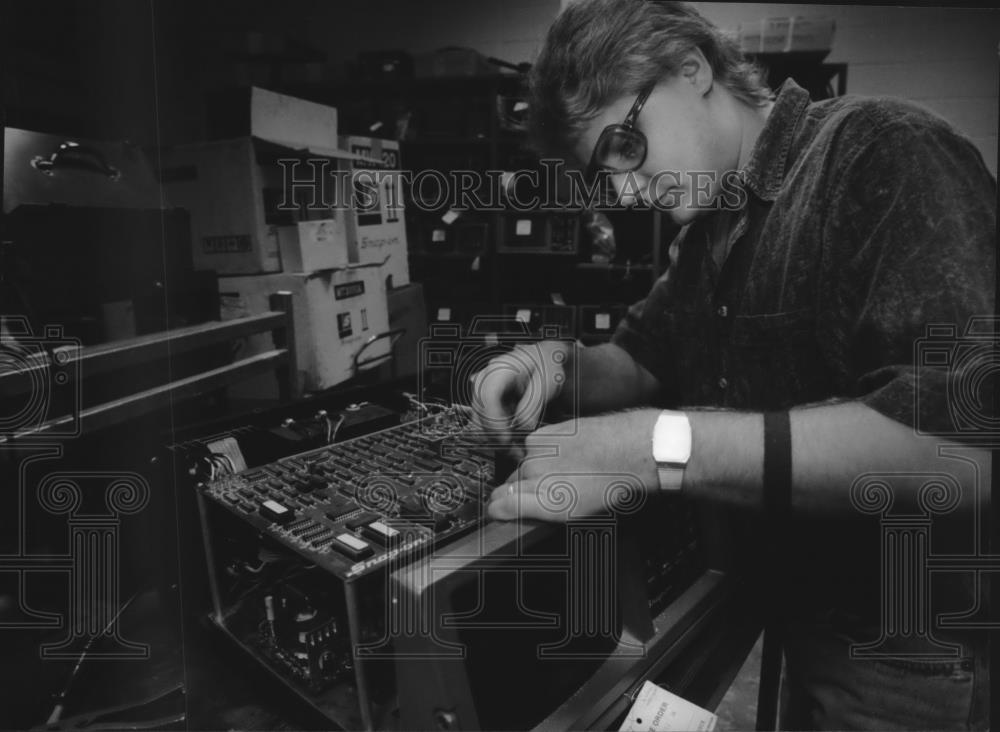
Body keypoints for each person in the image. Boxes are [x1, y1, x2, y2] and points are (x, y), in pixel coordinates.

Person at [470, 1, 995, 729]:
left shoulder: (880, 154)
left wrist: (659, 447)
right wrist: (555, 365)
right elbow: (640, 357)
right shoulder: (709, 234)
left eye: (624, 144)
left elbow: (958, 447)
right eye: (603, 175)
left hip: (904, 648)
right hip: (788, 610)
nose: (624, 190)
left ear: (692, 69)